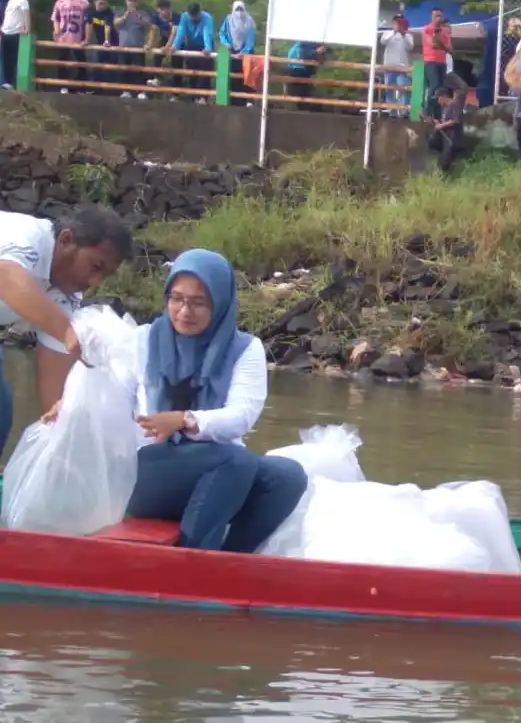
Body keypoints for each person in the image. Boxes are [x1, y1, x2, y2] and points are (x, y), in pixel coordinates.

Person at [62, 250, 307, 553]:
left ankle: (234, 558)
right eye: (176, 299)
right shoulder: (143, 340)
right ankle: (194, 556)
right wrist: (71, 406)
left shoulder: (245, 349)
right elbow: (110, 394)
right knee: (235, 460)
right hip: (148, 472)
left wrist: (185, 420)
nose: (184, 311)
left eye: (198, 302)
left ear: (219, 302)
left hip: (221, 469)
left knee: (287, 476)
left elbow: (241, 416)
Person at [0, 206, 131, 446]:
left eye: (104, 276)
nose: (94, 282)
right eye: (95, 266)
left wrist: (60, 428)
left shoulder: (65, 294)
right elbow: (6, 277)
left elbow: (55, 369)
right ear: (66, 239)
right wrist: (67, 331)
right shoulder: (27, 238)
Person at [50, 0, 91, 89]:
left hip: (78, 37)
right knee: (62, 62)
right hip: (64, 37)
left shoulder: (83, 2)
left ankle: (82, 87)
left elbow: (88, 21)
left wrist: (87, 38)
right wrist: (56, 31)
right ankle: (63, 86)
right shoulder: (59, 3)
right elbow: (56, 19)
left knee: (81, 62)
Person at [112, 0, 154, 97]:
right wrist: (125, 16)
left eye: (134, 0)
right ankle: (125, 91)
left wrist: (138, 16)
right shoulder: (120, 12)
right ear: (126, 1)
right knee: (123, 70)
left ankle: (140, 91)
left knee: (139, 70)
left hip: (137, 48)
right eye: (130, 0)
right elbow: (115, 23)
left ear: (137, 2)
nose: (132, 2)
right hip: (123, 47)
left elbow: (150, 26)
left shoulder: (142, 13)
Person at [170, 3, 216, 97]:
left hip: (204, 45)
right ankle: (193, 95)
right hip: (191, 44)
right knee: (192, 69)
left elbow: (207, 33)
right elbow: (181, 31)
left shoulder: (207, 18)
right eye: (192, 15)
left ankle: (203, 96)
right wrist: (175, 45)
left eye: (195, 15)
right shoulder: (184, 17)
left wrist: (207, 48)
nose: (193, 18)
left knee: (205, 71)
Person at [428, 84, 467, 172]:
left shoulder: (455, 105)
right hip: (446, 135)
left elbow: (455, 120)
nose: (438, 102)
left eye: (438, 99)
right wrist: (437, 122)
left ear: (443, 97)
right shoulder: (444, 108)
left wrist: (441, 125)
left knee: (447, 156)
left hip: (453, 135)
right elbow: (446, 120)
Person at [380, 15, 413, 114]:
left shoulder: (408, 35)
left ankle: (403, 112)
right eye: (397, 23)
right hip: (389, 66)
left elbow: (410, 47)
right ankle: (392, 112)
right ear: (393, 23)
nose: (399, 25)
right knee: (389, 90)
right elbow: (383, 42)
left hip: (402, 67)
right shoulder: (387, 33)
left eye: (401, 23)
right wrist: (394, 32)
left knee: (404, 88)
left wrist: (403, 34)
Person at [1, 0, 30, 90]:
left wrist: (27, 28)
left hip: (16, 33)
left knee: (15, 59)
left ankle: (17, 83)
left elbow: (26, 13)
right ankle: (8, 83)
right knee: (6, 59)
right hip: (6, 32)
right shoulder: (11, 0)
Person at [286, 41, 328, 110]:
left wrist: (319, 52)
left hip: (302, 72)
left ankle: (303, 108)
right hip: (297, 71)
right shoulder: (299, 47)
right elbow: (303, 56)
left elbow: (321, 60)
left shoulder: (305, 47)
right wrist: (316, 52)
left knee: (306, 94)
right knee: (302, 94)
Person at [421, 8, 451, 95]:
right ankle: (428, 106)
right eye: (436, 16)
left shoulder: (445, 30)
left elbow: (449, 48)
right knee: (434, 85)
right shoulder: (427, 29)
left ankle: (437, 107)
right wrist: (442, 46)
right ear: (432, 17)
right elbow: (433, 44)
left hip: (442, 61)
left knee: (441, 87)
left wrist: (440, 45)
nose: (438, 18)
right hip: (430, 61)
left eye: (440, 16)